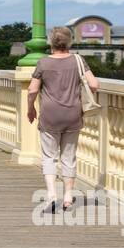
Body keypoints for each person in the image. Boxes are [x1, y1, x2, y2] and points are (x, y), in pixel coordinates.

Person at [26, 26, 100, 212]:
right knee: (68, 157)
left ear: (51, 42)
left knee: (49, 157)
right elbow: (94, 84)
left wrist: (30, 109)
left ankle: (51, 195)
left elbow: (33, 90)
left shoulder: (43, 62)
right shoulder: (78, 60)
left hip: (50, 115)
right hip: (72, 114)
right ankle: (68, 196)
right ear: (69, 42)